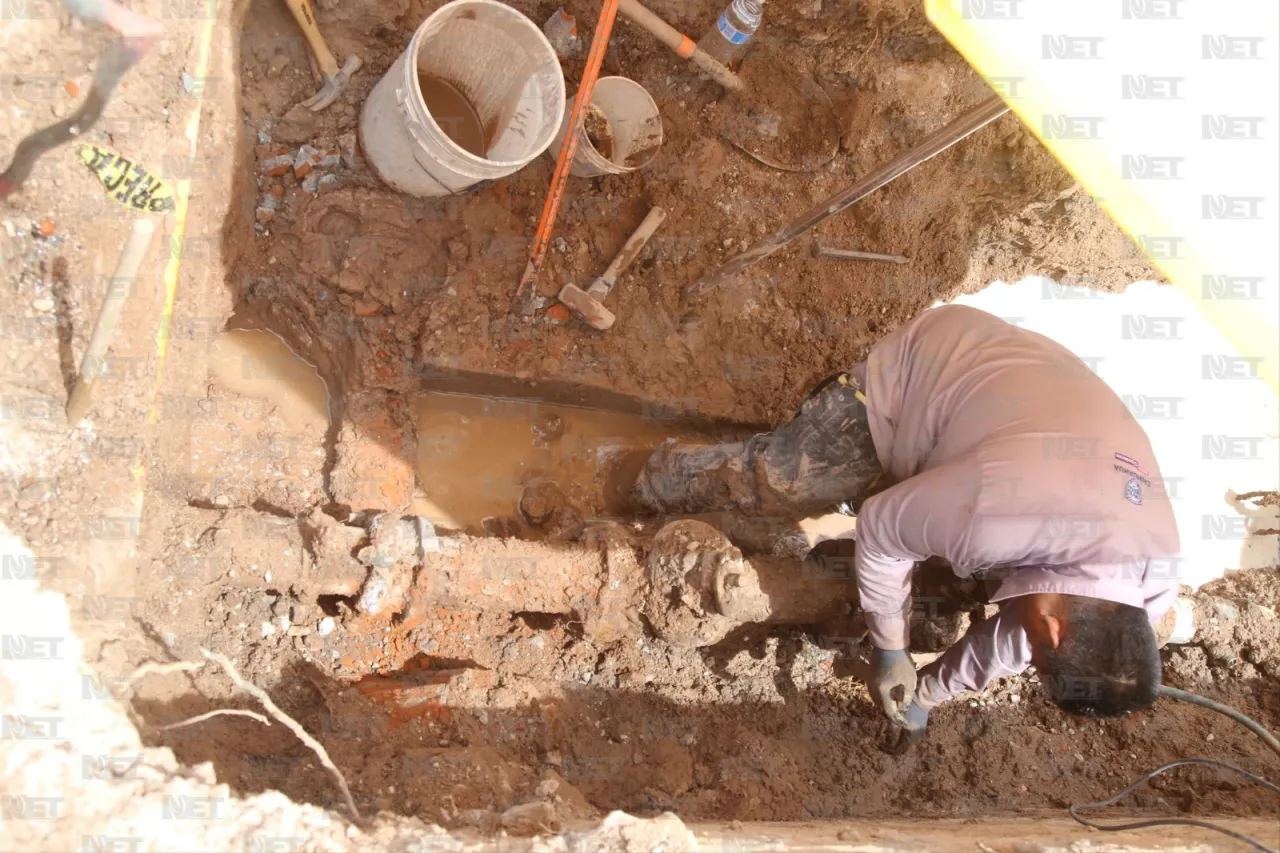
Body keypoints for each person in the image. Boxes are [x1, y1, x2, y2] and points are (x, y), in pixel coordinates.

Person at [632, 305, 1181, 738]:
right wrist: (891, 649)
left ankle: (887, 528)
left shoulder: (1151, 587)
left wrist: (927, 695)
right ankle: (652, 478)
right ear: (1057, 630)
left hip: (1024, 416)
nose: (1028, 655)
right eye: (1041, 654)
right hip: (935, 369)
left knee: (955, 584)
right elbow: (880, 528)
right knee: (780, 479)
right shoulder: (996, 516)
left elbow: (1019, 638)